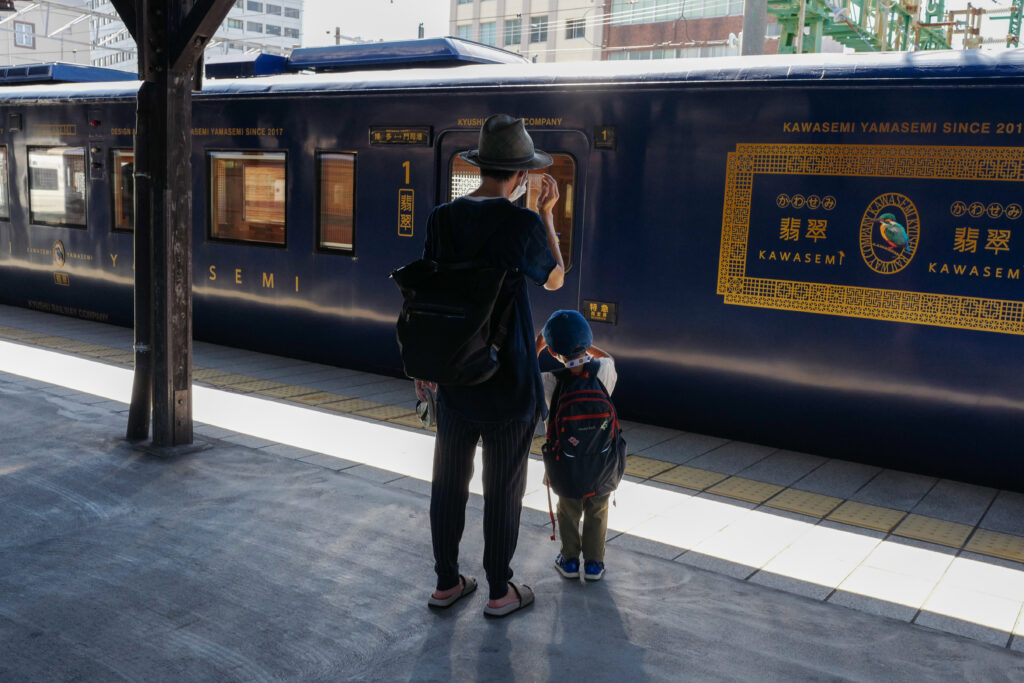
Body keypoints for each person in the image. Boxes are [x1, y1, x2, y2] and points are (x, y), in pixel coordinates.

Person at [421, 114, 565, 617]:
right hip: (509, 381)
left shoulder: (443, 218)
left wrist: (427, 367)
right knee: (502, 489)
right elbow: (554, 279)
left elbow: (429, 293)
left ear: (482, 166)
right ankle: (500, 591)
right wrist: (545, 215)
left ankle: (446, 583)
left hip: (455, 375)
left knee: (449, 482)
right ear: (521, 175)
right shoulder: (521, 223)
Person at [536, 310, 618, 582]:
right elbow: (608, 358)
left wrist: (538, 347)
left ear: (552, 350)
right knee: (597, 510)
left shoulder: (550, 381)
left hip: (567, 466)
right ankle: (594, 565)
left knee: (568, 510)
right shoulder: (603, 370)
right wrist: (587, 345)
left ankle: (569, 561)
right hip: (602, 466)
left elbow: (524, 371)